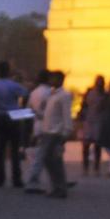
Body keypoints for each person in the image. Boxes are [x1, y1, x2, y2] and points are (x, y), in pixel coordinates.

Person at [0, 61, 28, 187]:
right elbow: (26, 94)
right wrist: (22, 109)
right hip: (14, 116)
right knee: (15, 149)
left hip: (0, 116)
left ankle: (0, 179)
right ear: (9, 71)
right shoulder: (14, 85)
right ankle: (16, 179)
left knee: (0, 149)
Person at [39, 70, 74, 199]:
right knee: (49, 161)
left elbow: (66, 115)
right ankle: (56, 186)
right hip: (48, 131)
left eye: (53, 78)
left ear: (59, 80)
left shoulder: (64, 95)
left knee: (55, 161)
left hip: (56, 133)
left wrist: (67, 132)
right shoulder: (51, 94)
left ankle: (60, 188)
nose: (50, 80)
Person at [23, 69, 53, 194]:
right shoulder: (50, 93)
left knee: (43, 153)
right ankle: (33, 180)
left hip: (37, 125)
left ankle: (55, 179)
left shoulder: (34, 92)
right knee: (43, 155)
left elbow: (27, 110)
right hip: (49, 126)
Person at [79, 75, 107, 176]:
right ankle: (85, 168)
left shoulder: (104, 95)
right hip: (88, 121)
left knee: (97, 147)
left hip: (98, 122)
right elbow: (83, 106)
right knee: (86, 146)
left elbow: (105, 109)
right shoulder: (89, 92)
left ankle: (96, 168)